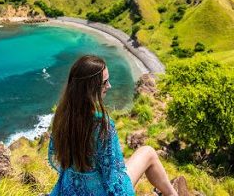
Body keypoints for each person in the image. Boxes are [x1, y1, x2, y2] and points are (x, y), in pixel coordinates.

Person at [48, 55, 178, 196]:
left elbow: (61, 163)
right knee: (149, 152)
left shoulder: (61, 117)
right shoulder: (102, 126)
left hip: (69, 190)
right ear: (90, 87)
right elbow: (114, 179)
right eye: (104, 82)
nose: (109, 86)